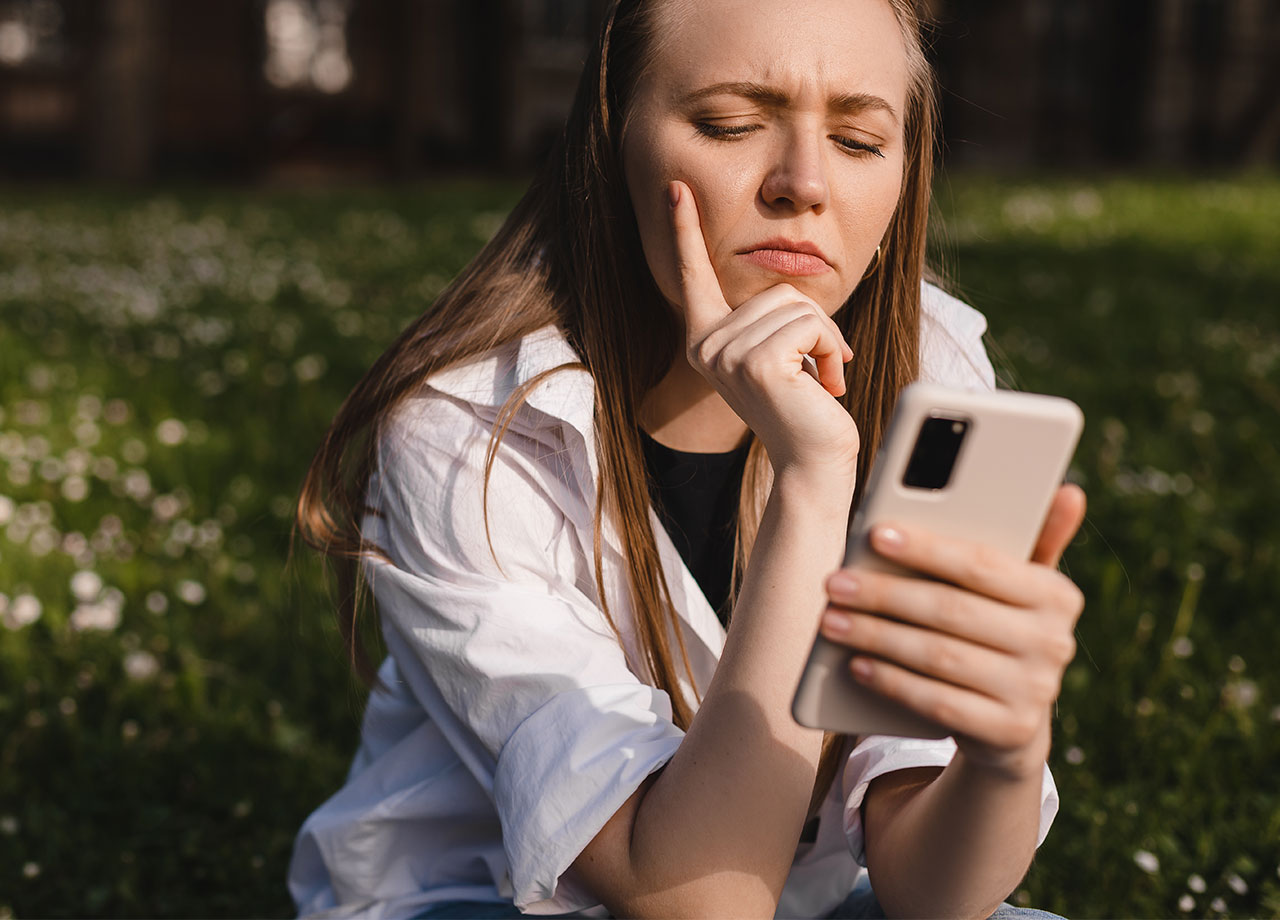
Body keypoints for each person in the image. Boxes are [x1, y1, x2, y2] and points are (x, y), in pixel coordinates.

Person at [288, 0, 1088, 917]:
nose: (803, 183)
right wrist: (814, 482)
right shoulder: (467, 431)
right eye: (730, 125)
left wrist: (1004, 751)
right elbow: (696, 904)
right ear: (609, 135)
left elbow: (929, 895)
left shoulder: (934, 372)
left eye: (861, 141)